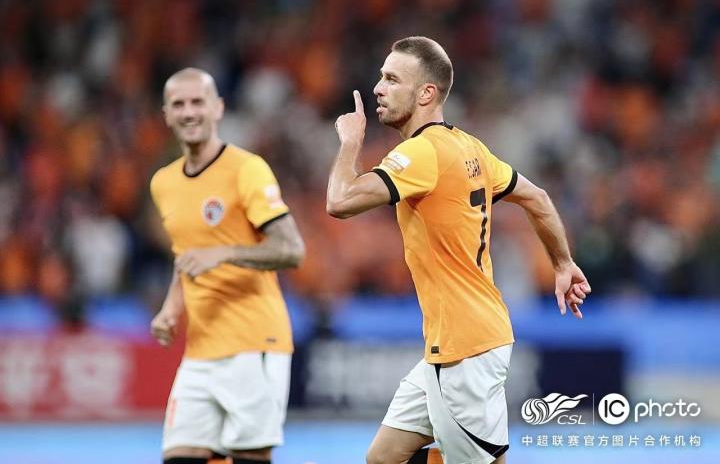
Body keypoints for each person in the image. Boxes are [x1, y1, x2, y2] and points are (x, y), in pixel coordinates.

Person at [327, 37, 591, 464]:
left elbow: (339, 202)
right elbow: (537, 198)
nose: (378, 88)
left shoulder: (422, 152)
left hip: (463, 351)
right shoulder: (470, 148)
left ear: (426, 93)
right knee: (383, 458)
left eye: (392, 79)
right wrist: (563, 263)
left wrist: (349, 143)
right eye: (381, 77)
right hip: (460, 341)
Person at [149, 68, 305, 464]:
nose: (189, 112)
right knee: (179, 456)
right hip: (200, 349)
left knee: (249, 457)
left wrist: (224, 253)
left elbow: (291, 249)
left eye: (197, 102)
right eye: (178, 104)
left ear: (218, 108)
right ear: (166, 114)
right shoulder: (163, 183)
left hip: (254, 343)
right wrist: (171, 307)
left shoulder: (246, 169)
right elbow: (185, 255)